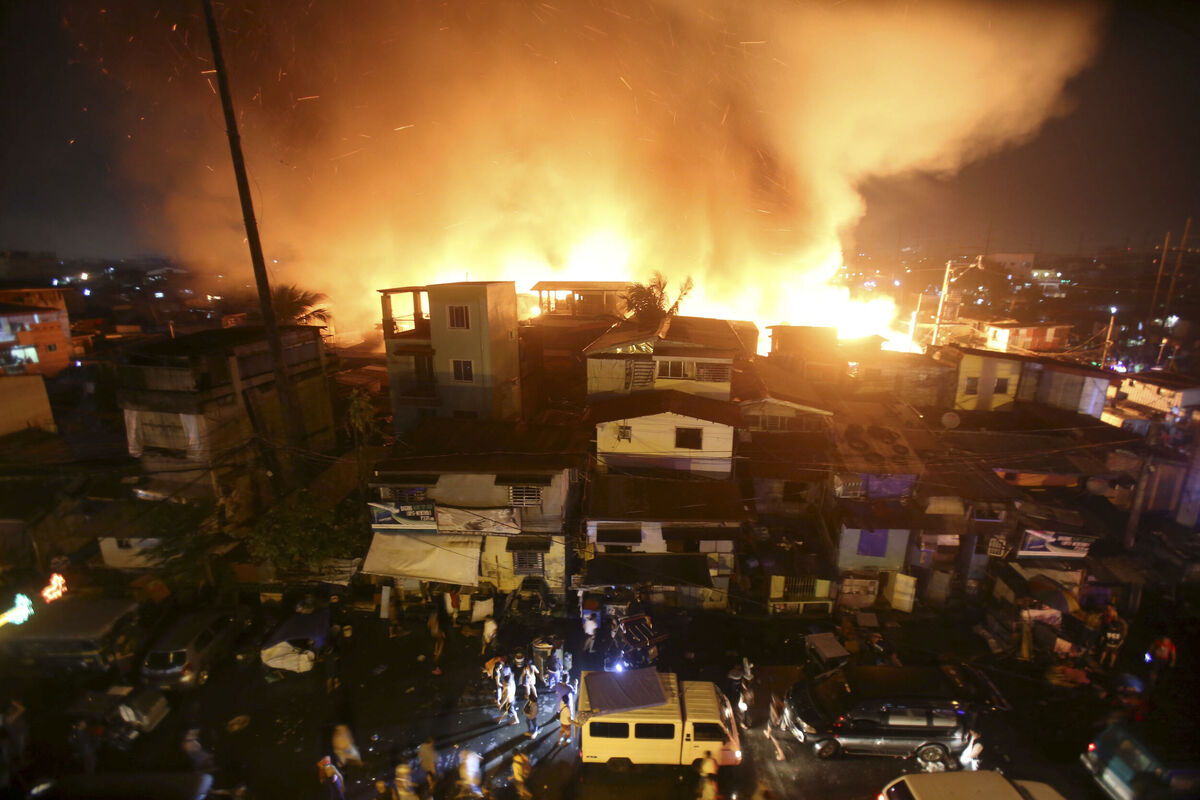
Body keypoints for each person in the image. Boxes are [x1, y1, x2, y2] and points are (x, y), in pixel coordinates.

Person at [429, 610, 446, 676]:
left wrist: (439, 653)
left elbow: (442, 642)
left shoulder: (437, 630)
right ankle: (437, 668)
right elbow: (437, 640)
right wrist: (436, 650)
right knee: (435, 656)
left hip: (443, 645)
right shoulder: (432, 629)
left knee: (439, 657)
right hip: (439, 643)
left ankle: (439, 669)